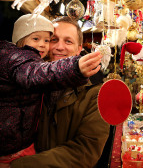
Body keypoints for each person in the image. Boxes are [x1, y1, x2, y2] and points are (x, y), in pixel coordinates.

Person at [0, 14, 103, 167]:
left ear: (79, 49)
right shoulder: (27, 76)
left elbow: (84, 151)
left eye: (68, 41)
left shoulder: (95, 94)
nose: (59, 47)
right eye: (53, 40)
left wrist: (17, 165)